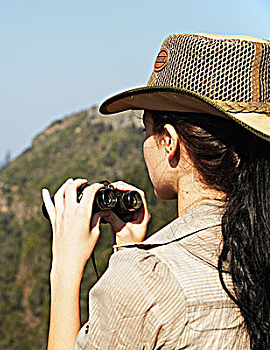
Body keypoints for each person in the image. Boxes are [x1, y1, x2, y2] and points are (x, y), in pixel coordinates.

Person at [42, 33, 270, 349]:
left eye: (146, 129)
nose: (145, 143)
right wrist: (131, 252)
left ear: (169, 141)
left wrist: (65, 270)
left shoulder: (146, 281)